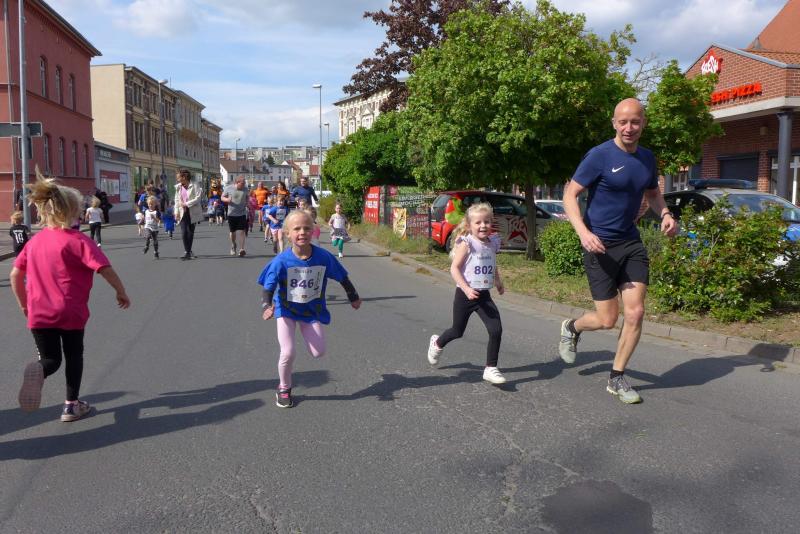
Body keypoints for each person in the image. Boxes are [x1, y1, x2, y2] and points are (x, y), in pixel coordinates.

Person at [559, 97, 678, 404]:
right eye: (623, 122)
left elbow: (653, 193)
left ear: (643, 124)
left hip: (630, 243)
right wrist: (583, 233)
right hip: (598, 245)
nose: (629, 127)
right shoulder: (599, 155)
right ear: (614, 123)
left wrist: (665, 213)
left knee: (636, 312)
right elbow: (570, 195)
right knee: (607, 319)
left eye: (635, 122)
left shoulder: (647, 158)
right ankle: (572, 327)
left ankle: (617, 377)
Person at [10, 173, 130, 422]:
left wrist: (23, 305)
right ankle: (71, 406)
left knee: (51, 359)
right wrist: (121, 291)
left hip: (39, 312)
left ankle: (40, 370)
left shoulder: (34, 242)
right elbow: (104, 269)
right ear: (74, 211)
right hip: (70, 311)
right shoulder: (79, 241)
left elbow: (15, 274)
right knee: (74, 355)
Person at [258, 209, 361, 408]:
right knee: (288, 352)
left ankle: (287, 382)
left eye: (306, 228)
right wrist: (267, 305)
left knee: (318, 352)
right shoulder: (281, 261)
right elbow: (268, 287)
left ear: (313, 231)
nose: (302, 232)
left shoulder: (323, 257)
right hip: (286, 310)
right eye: (297, 229)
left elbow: (342, 276)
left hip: (311, 310)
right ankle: (284, 388)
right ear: (287, 233)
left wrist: (353, 296)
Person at [426, 203, 506, 385]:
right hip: (465, 295)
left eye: (487, 221)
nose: (483, 225)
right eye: (478, 222)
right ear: (470, 225)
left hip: (483, 295)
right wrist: (466, 289)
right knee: (457, 331)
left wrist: (498, 281)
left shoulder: (492, 242)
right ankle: (437, 343)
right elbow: (454, 269)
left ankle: (490, 368)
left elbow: (492, 264)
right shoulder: (467, 243)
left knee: (496, 329)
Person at [174, 169, 203, 260]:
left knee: (190, 232)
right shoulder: (178, 187)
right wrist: (176, 212)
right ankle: (187, 251)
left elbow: (198, 198)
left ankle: (188, 251)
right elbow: (176, 200)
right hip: (182, 212)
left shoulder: (195, 185)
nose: (177, 179)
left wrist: (186, 204)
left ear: (184, 177)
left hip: (192, 212)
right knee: (183, 233)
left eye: (178, 177)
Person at [221, 177, 250, 256]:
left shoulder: (245, 189)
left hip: (242, 213)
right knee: (232, 232)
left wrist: (247, 203)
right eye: (242, 183)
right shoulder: (229, 188)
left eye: (244, 183)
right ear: (237, 183)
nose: (244, 185)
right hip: (232, 213)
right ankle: (233, 245)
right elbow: (222, 197)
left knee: (242, 231)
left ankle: (241, 249)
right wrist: (227, 200)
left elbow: (247, 197)